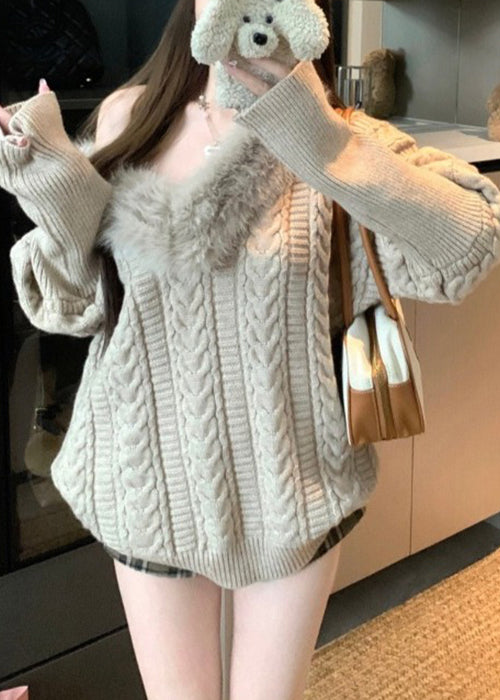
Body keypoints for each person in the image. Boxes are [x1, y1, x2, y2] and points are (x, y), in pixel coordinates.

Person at [1, 0, 499, 697]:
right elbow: (78, 304)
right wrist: (52, 183)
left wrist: (314, 134)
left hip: (292, 486)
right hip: (147, 479)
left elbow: (470, 242)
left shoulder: (339, 131)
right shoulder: (128, 117)